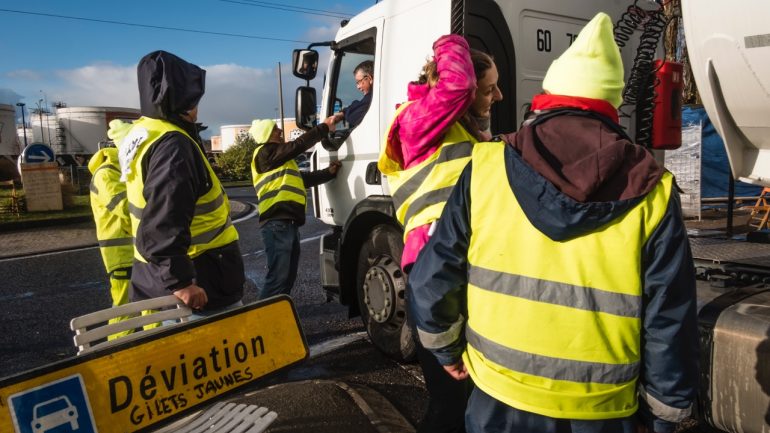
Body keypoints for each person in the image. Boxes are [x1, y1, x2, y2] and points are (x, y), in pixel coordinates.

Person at [408, 13, 699, 433]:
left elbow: (434, 277)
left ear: (548, 96)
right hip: (602, 411)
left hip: (499, 398)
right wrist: (663, 414)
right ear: (611, 106)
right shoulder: (653, 187)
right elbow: (669, 318)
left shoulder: (487, 167)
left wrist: (445, 349)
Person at [377, 34, 502, 433]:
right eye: (489, 88)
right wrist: (449, 43)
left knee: (470, 399)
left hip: (462, 264)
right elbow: (458, 85)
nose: (498, 95)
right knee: (449, 404)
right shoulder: (417, 121)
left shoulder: (459, 131)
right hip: (436, 270)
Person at [115, 50, 245, 315]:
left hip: (154, 277)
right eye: (195, 98)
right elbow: (165, 216)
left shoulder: (143, 132)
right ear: (182, 98)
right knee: (213, 351)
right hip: (200, 279)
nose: (197, 107)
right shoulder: (173, 144)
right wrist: (182, 282)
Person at [250, 117, 341, 299]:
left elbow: (303, 180)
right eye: (276, 129)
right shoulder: (264, 153)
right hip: (277, 223)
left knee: (287, 279)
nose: (280, 131)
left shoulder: (279, 160)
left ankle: (279, 318)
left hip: (288, 224)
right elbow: (297, 145)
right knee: (278, 278)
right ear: (267, 135)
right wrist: (323, 128)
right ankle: (261, 322)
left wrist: (328, 173)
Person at [87, 142, 134, 339]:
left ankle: (153, 347)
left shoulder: (121, 170)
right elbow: (123, 207)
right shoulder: (106, 174)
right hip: (122, 253)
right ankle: (116, 350)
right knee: (124, 308)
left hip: (134, 250)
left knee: (149, 303)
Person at [331, 60, 374, 128]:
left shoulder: (372, 99)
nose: (358, 87)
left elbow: (353, 116)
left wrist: (343, 114)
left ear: (369, 78)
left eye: (358, 82)